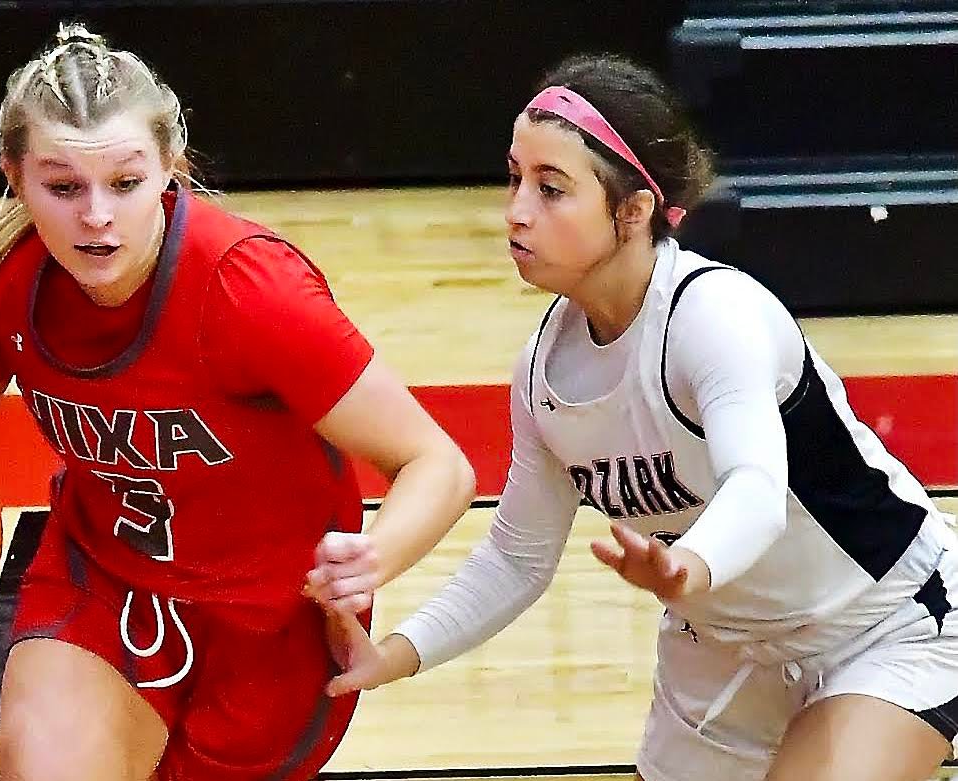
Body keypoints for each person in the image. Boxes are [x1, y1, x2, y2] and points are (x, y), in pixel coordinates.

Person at [0, 22, 475, 781]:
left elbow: (437, 463)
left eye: (124, 183)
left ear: (169, 166)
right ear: (13, 175)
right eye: (62, 186)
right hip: (104, 580)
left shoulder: (249, 289)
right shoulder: (7, 280)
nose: (96, 215)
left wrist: (372, 557)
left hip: (270, 621)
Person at [323, 53, 958, 781]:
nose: (515, 211)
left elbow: (756, 490)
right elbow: (516, 557)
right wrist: (396, 654)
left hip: (882, 622)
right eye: (514, 178)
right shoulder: (543, 369)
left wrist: (687, 563)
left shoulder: (713, 315)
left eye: (550, 188)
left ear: (632, 211)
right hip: (720, 647)